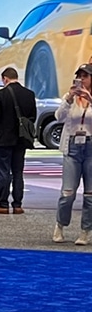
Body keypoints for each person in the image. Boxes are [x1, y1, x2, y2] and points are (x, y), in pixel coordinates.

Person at [0, 66, 37, 215]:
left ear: (5, 79)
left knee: (3, 173)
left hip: (3, 140)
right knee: (18, 172)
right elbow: (32, 116)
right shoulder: (29, 94)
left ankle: (2, 204)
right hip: (21, 140)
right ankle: (17, 205)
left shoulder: (0, 94)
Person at [53, 63, 92, 245]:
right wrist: (69, 98)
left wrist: (89, 99)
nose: (82, 80)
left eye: (85, 76)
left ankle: (85, 231)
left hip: (90, 148)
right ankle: (60, 225)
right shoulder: (70, 98)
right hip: (72, 147)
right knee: (67, 193)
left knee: (90, 195)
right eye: (80, 76)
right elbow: (58, 117)